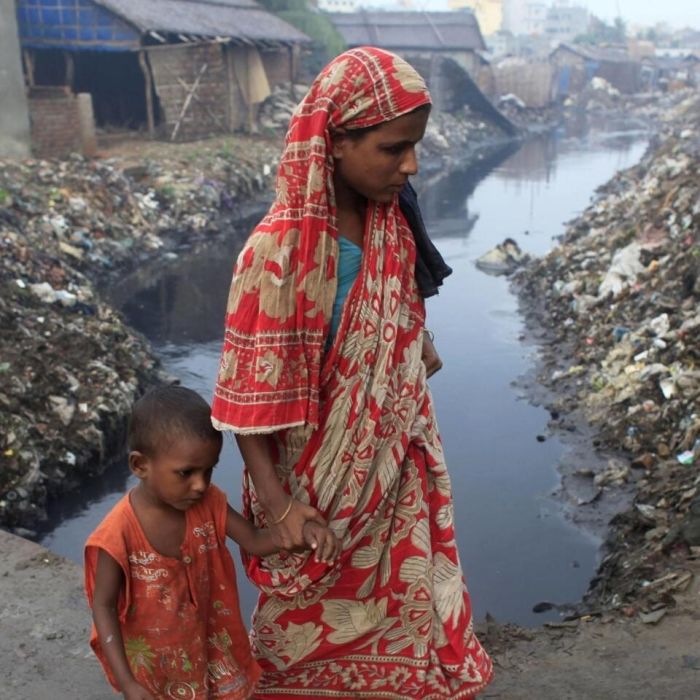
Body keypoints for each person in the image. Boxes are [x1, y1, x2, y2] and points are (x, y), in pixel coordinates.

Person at [212, 47, 493, 698]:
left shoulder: (391, 226)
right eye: (394, 149)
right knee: (299, 647)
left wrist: (411, 341)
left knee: (406, 615)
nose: (411, 165)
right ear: (337, 142)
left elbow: (396, 321)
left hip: (396, 475)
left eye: (415, 146)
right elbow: (246, 407)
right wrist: (280, 512)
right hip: (316, 498)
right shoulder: (277, 253)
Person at [84, 386, 340, 700]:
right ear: (139, 466)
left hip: (214, 651)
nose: (200, 485)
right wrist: (128, 683)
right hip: (156, 671)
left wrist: (305, 536)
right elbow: (104, 606)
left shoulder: (209, 503)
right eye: (186, 473)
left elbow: (256, 541)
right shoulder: (118, 534)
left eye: (209, 470)